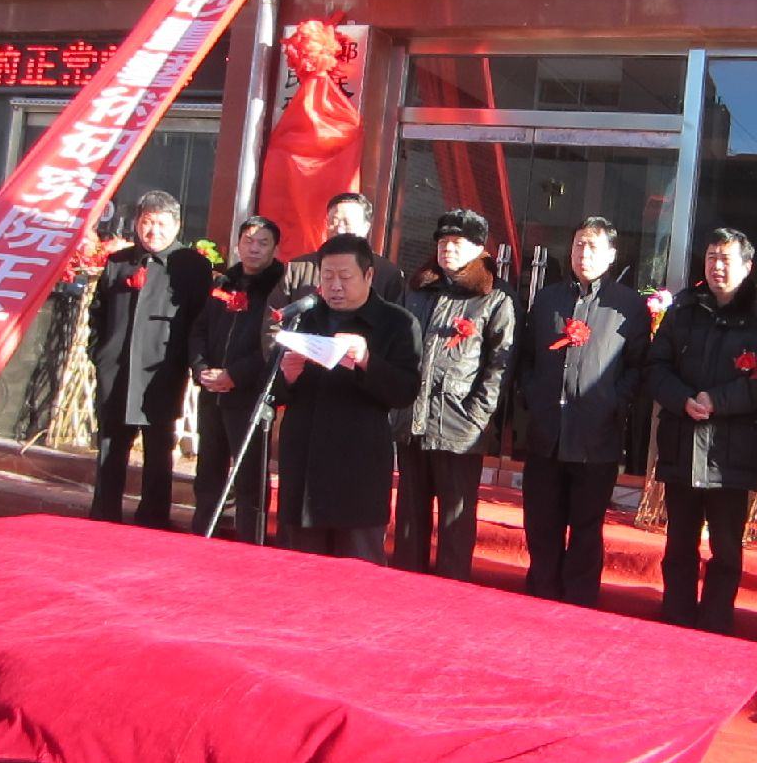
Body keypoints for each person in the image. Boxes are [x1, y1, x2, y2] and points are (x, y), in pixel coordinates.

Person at [647, 228, 757, 635]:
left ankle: (715, 623)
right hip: (682, 439)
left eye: (726, 259)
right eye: (711, 257)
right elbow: (656, 366)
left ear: (747, 266)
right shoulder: (683, 308)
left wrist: (718, 401)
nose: (716, 266)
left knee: (726, 547)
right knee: (679, 542)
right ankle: (675, 617)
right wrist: (682, 399)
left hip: (732, 451)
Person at [517, 217, 648, 606]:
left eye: (592, 246)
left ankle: (579, 601)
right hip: (547, 431)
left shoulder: (628, 306)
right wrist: (534, 395)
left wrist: (612, 401)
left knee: (586, 527)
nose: (583, 254)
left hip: (596, 435)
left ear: (611, 255)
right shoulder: (547, 299)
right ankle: (542, 592)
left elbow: (639, 367)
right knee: (542, 521)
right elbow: (526, 357)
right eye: (578, 245)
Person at [276, 235, 423, 563]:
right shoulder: (304, 318)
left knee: (358, 571)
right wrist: (287, 377)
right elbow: (270, 389)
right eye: (327, 276)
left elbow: (405, 391)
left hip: (358, 465)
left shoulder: (397, 323)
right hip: (304, 465)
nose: (335, 286)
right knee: (300, 571)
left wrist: (367, 361)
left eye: (345, 276)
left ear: (368, 275)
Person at [394, 208, 517, 580]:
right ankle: (404, 583)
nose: (447, 248)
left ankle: (451, 590)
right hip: (411, 420)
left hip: (459, 425)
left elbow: (500, 367)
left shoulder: (495, 297)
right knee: (409, 516)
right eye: (443, 241)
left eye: (457, 242)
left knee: (455, 519)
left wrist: (476, 418)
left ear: (479, 248)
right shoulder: (417, 289)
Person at [88, 190, 213, 529]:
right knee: (111, 446)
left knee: (158, 448)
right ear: (136, 223)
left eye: (161, 224)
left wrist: (191, 364)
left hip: (161, 371)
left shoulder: (193, 266)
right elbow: (97, 313)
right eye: (147, 222)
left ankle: (153, 519)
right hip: (116, 369)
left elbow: (199, 322)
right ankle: (104, 515)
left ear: (176, 225)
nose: (153, 231)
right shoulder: (119, 262)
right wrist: (99, 354)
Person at [187, 215, 286, 542]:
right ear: (238, 244)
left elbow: (274, 344)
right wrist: (201, 367)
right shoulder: (223, 282)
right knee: (208, 473)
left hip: (249, 395)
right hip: (211, 392)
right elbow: (199, 330)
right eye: (248, 241)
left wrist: (235, 375)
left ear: (275, 249)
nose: (254, 248)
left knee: (249, 479)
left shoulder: (278, 287)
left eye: (263, 243)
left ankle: (249, 544)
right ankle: (203, 535)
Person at [266, 192, 405, 347]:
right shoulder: (296, 268)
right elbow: (272, 322)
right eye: (334, 221)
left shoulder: (387, 274)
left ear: (366, 227)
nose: (339, 229)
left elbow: (393, 331)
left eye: (347, 223)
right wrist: (286, 355)